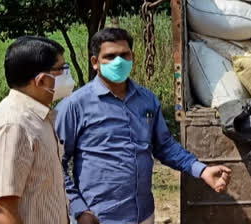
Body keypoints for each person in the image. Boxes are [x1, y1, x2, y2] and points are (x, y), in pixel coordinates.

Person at [55, 28, 231, 224]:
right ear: (95, 62)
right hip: (98, 217)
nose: (118, 62)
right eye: (110, 56)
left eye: (124, 55)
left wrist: (201, 170)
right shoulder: (75, 105)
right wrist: (79, 210)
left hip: (143, 215)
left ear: (133, 57)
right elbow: (55, 164)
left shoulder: (147, 100)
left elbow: (164, 146)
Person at [0, 36, 74, 224]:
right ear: (42, 80)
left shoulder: (39, 117)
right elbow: (2, 210)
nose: (67, 75)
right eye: (62, 69)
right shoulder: (12, 126)